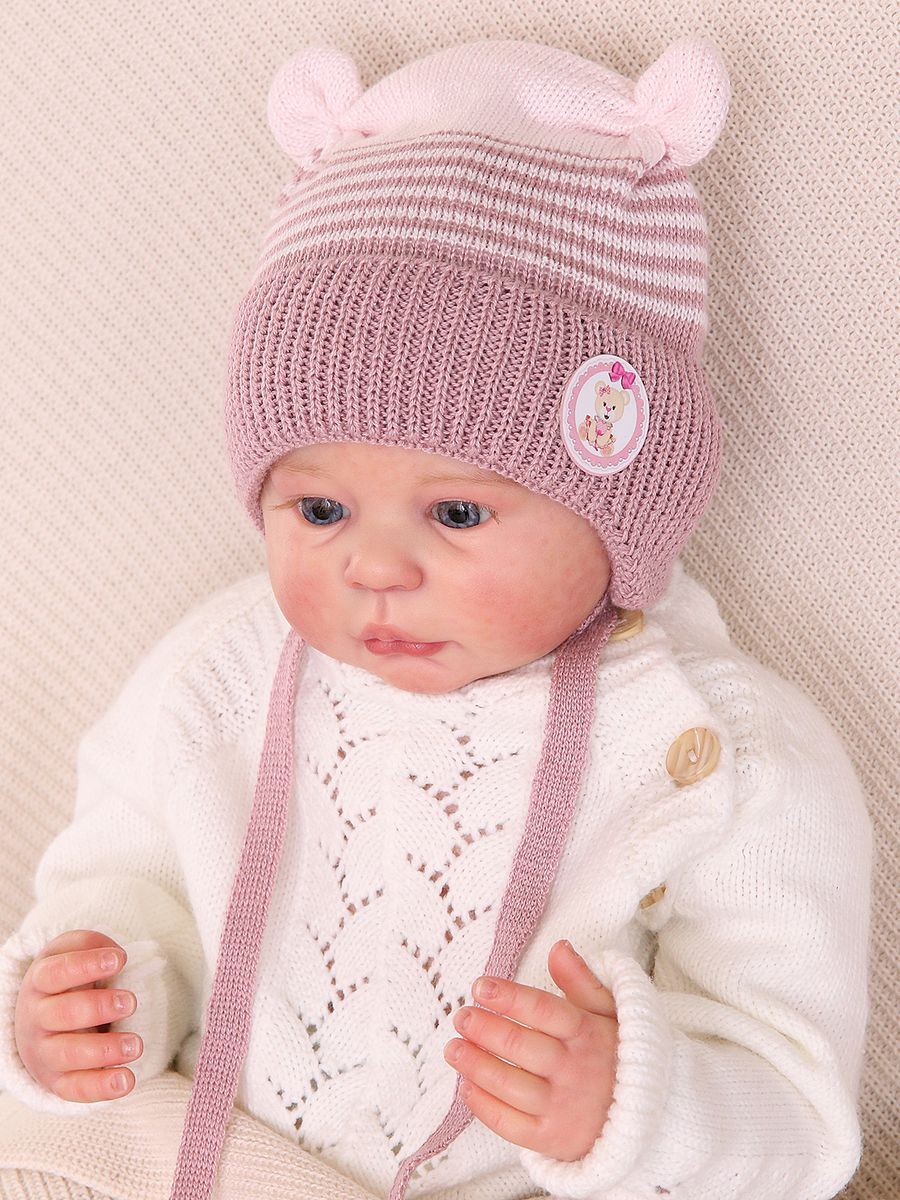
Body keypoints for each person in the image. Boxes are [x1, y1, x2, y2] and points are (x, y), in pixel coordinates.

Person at [0, 34, 874, 1200]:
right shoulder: (217, 674)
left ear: (617, 505)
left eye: (457, 511)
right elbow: (121, 886)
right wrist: (96, 1003)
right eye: (318, 508)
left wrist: (629, 1105)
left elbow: (795, 1114)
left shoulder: (720, 752)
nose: (373, 566)